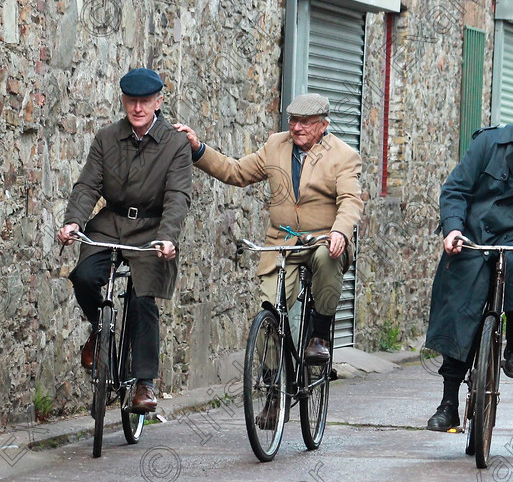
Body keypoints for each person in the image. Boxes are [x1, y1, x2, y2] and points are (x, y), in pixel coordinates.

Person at [175, 93, 363, 364]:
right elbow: (237, 172)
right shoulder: (276, 145)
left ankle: (320, 334)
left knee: (326, 257)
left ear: (323, 125)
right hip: (282, 243)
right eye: (293, 120)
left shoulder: (344, 156)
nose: (296, 127)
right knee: (269, 314)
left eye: (305, 122)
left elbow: (350, 200)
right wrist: (198, 149)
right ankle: (274, 387)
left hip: (323, 240)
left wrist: (340, 232)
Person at [424, 91, 513, 432]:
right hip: (474, 236)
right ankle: (449, 402)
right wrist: (453, 229)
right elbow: (455, 189)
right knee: (461, 304)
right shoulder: (487, 144)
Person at [57, 68, 192, 413]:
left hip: (152, 229)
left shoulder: (175, 144)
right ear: (123, 101)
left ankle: (144, 382)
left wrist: (168, 236)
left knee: (143, 296)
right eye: (131, 101)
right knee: (85, 276)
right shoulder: (106, 138)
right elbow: (88, 185)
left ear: (158, 102)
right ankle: (98, 332)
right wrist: (73, 221)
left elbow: (177, 195)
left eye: (145, 101)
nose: (138, 108)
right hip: (110, 224)